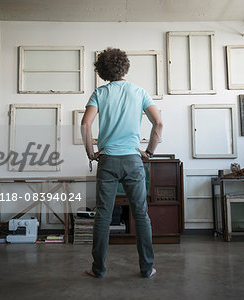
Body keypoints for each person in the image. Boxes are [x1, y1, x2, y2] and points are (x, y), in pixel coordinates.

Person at [81, 47, 163, 278]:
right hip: (133, 161)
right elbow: (158, 124)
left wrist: (91, 153)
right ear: (124, 66)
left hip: (107, 160)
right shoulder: (140, 92)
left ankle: (98, 269)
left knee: (103, 216)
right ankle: (147, 269)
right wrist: (149, 152)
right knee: (141, 215)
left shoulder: (100, 93)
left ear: (103, 70)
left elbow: (85, 125)